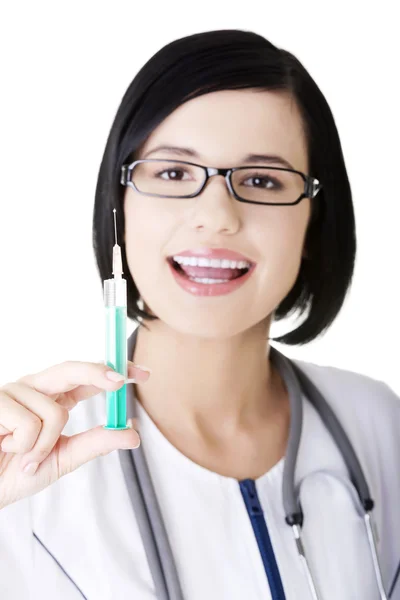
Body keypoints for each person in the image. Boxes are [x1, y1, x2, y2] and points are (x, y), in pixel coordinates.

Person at [1, 28, 400, 600]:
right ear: (120, 206)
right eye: (173, 173)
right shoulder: (26, 471)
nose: (217, 216)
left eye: (262, 180)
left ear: (314, 220)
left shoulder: (381, 428)